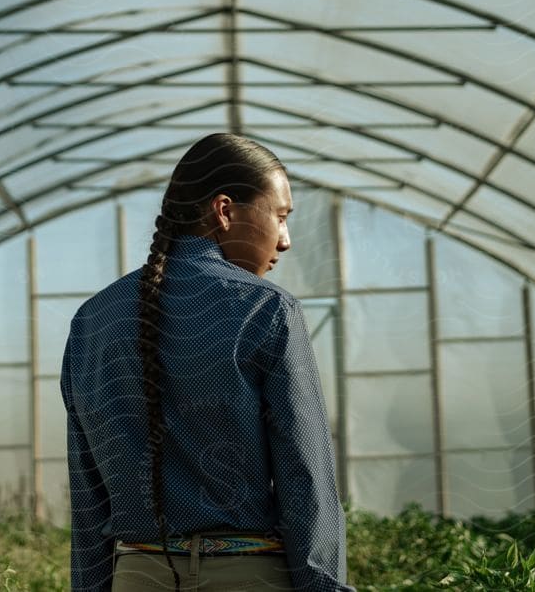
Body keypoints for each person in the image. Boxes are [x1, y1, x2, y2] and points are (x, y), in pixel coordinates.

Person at [59, 133, 354, 592]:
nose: (286, 240)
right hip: (246, 576)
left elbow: (88, 492)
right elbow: (304, 477)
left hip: (135, 576)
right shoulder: (267, 310)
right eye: (279, 216)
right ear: (224, 210)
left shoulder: (92, 321)